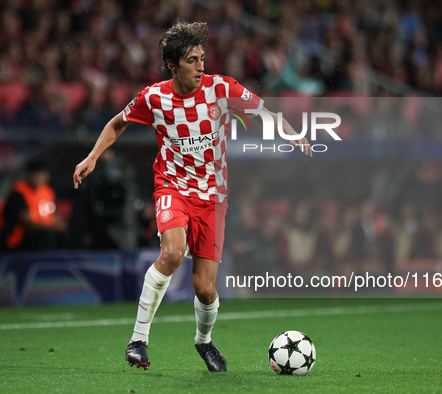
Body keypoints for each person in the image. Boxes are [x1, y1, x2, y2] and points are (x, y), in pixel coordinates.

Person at [73, 21, 311, 372]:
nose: (201, 66)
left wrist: (291, 134)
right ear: (173, 65)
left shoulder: (220, 89)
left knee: (204, 289)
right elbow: (116, 123)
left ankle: (204, 341)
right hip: (172, 187)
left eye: (202, 58)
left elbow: (263, 113)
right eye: (192, 60)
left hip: (213, 199)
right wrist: (92, 157)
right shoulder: (154, 98)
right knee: (171, 253)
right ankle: (138, 339)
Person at [0, 159, 67, 252]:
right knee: (47, 235)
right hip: (18, 238)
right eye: (36, 173)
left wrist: (60, 225)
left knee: (65, 232)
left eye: (42, 174)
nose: (39, 177)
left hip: (41, 233)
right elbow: (27, 221)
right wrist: (51, 227)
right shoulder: (19, 192)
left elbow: (52, 215)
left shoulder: (48, 192)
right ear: (29, 175)